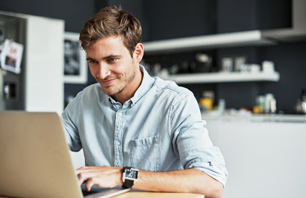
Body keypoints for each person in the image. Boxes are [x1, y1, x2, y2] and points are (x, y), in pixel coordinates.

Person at [61, 6, 228, 198]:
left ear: (137, 53)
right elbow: (47, 144)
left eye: (112, 59)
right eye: (93, 61)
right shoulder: (84, 100)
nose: (101, 73)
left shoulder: (176, 101)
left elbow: (212, 183)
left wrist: (122, 175)